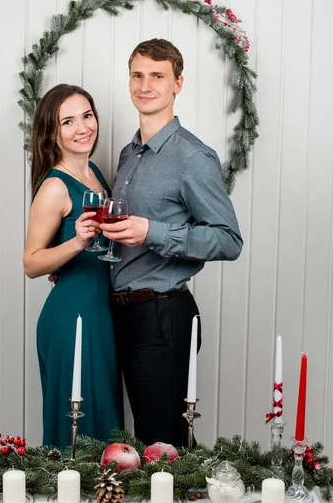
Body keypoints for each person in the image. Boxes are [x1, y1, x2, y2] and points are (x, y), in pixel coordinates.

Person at [100, 39, 243, 447]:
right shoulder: (130, 153)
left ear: (177, 83)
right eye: (137, 75)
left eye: (157, 76)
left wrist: (153, 233)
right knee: (142, 438)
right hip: (123, 314)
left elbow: (228, 240)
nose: (145, 85)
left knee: (164, 443)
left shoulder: (193, 157)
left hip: (163, 315)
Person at [23, 83, 123, 449]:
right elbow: (32, 263)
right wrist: (77, 242)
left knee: (104, 423)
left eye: (87, 115)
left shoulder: (94, 172)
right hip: (71, 317)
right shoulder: (54, 186)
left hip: (102, 313)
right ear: (53, 133)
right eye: (68, 121)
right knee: (77, 426)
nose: (83, 128)